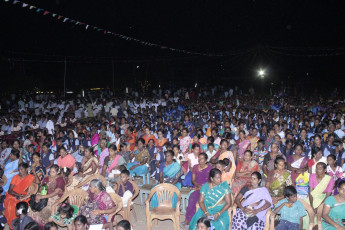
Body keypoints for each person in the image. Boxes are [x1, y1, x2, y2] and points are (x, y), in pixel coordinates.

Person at [29, 165, 66, 229]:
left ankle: (44, 227)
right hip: (44, 195)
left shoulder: (60, 180)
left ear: (57, 172)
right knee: (33, 208)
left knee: (45, 212)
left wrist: (42, 197)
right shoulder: (46, 178)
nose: (51, 173)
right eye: (50, 171)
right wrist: (40, 194)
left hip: (55, 198)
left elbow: (56, 192)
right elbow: (40, 189)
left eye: (53, 172)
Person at [184, 153, 213, 226]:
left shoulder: (210, 168)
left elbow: (211, 181)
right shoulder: (195, 167)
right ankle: (188, 219)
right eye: (199, 158)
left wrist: (203, 187)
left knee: (201, 200)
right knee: (192, 198)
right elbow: (193, 180)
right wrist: (198, 185)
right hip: (197, 187)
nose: (200, 160)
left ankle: (197, 220)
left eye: (202, 158)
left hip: (206, 188)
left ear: (206, 160)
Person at [304, 162, 335, 229]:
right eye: (317, 168)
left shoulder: (330, 179)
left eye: (320, 168)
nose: (318, 170)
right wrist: (312, 206)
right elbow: (311, 192)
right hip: (312, 198)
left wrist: (318, 206)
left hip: (323, 199)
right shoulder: (312, 176)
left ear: (325, 170)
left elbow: (328, 195)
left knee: (319, 215)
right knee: (307, 214)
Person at [4, 162, 36, 229]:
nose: (20, 171)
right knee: (11, 205)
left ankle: (21, 223)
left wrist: (34, 172)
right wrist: (19, 195)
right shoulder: (15, 177)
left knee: (22, 205)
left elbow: (38, 182)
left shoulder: (30, 177)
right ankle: (13, 225)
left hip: (25, 196)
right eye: (19, 169)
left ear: (26, 169)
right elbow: (10, 190)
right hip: (13, 195)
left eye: (22, 169)